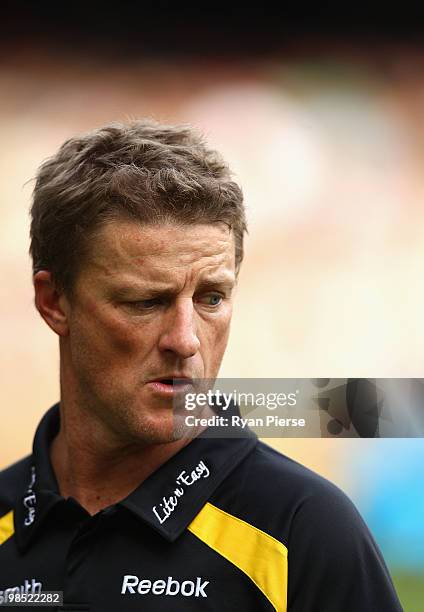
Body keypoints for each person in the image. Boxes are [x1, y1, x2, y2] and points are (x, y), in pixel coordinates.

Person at [0, 120, 402, 611]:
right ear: (54, 301)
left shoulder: (305, 530)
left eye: (211, 298)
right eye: (146, 302)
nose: (186, 340)